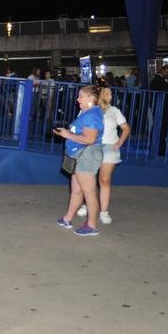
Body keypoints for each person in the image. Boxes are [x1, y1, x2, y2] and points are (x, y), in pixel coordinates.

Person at [55, 85, 105, 237]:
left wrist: (67, 135)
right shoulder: (89, 113)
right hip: (81, 155)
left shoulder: (91, 115)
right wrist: (67, 133)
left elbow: (90, 139)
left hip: (86, 155)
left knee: (89, 192)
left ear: (91, 98)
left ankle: (91, 225)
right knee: (77, 190)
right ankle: (67, 218)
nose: (78, 99)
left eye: (81, 96)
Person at [92, 87, 130, 224]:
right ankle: (88, 204)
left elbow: (126, 128)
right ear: (100, 95)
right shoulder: (91, 109)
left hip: (109, 147)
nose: (110, 96)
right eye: (107, 93)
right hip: (92, 146)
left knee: (104, 180)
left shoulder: (114, 111)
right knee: (89, 178)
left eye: (111, 94)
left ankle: (104, 211)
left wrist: (120, 142)